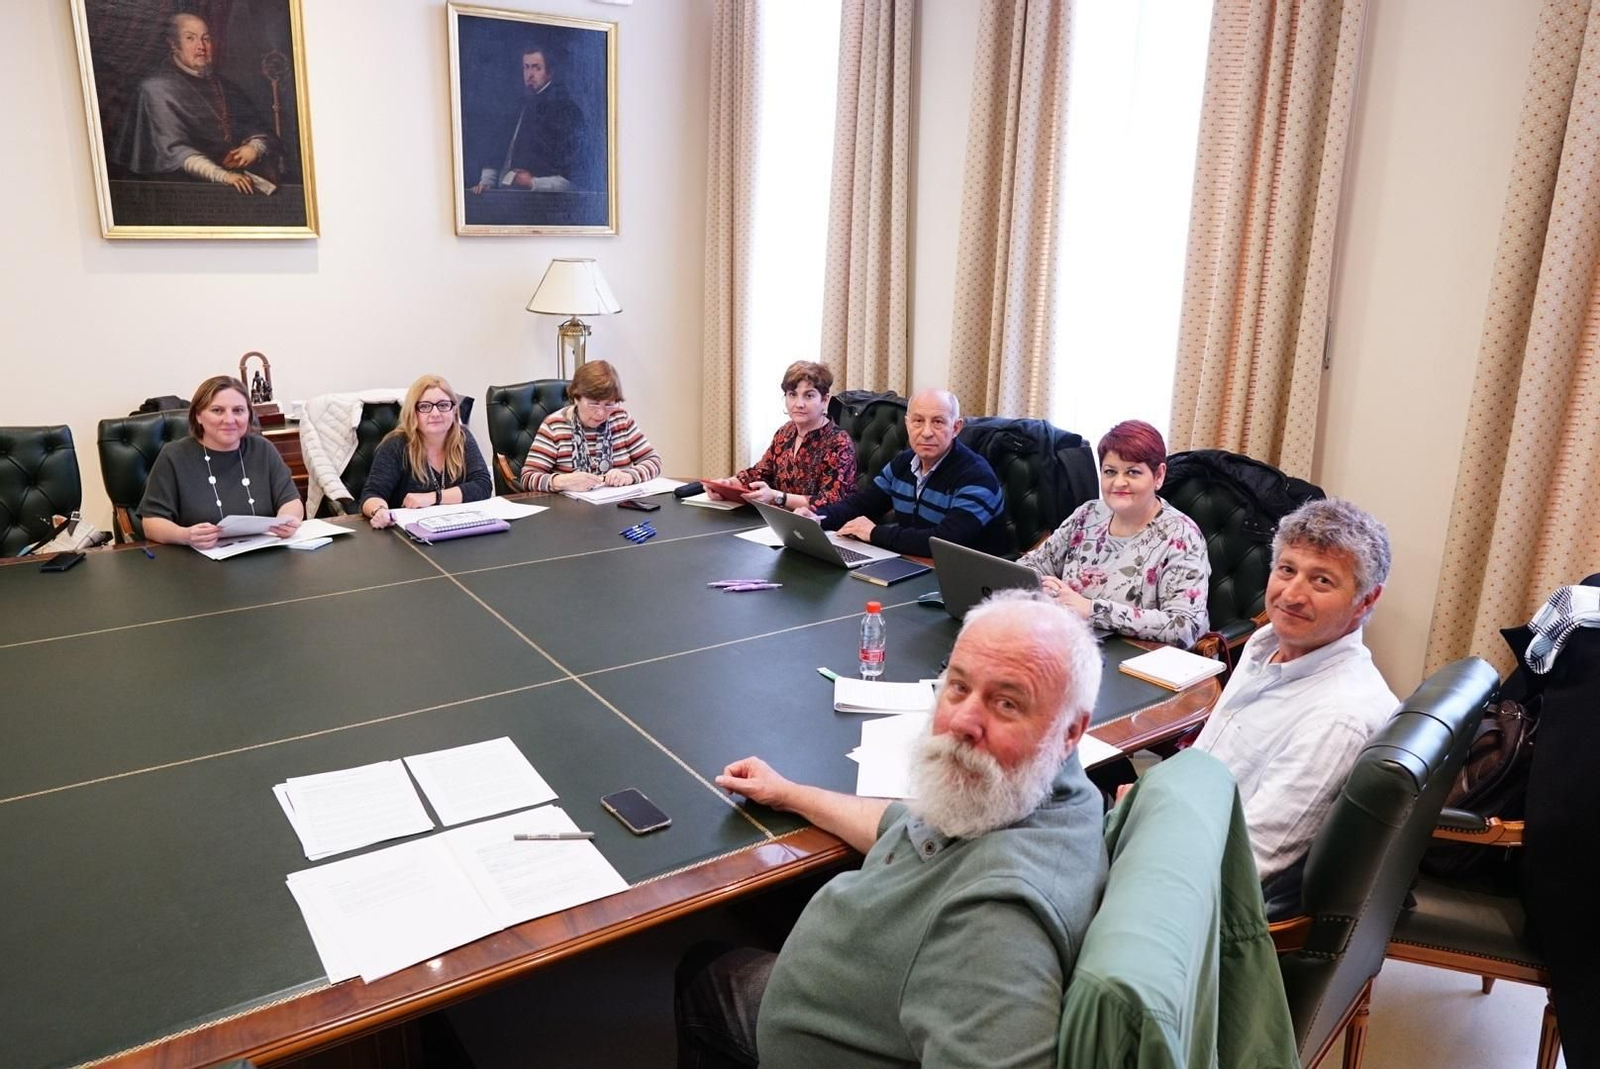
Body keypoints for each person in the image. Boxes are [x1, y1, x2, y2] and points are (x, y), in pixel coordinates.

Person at [675, 591, 1107, 1068]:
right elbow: (902, 823)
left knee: (705, 973)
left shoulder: (995, 925)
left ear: (1071, 729)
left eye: (1006, 703)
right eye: (958, 687)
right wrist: (789, 793)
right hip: (871, 1002)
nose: (963, 719)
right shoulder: (1042, 792)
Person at [1189, 498, 1399, 887]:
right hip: (1182, 824)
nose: (1291, 595)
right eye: (1287, 570)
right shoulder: (1266, 645)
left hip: (1196, 887)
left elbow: (1245, 862)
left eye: (1322, 580)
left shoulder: (1338, 719)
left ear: (1366, 600)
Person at [1018, 419, 1211, 646]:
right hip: (1069, 643)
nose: (1119, 482)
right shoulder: (1088, 514)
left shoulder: (1182, 536)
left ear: (1158, 476)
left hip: (1143, 661)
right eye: (1110, 471)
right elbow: (1029, 567)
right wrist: (1051, 592)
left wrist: (1091, 610)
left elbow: (1184, 626)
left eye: (1133, 472)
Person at [801, 388, 1006, 557]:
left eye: (938, 421)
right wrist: (816, 518)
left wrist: (873, 533)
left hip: (973, 581)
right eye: (918, 421)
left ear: (956, 427)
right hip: (917, 564)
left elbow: (944, 542)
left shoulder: (977, 477)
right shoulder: (903, 463)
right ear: (907, 424)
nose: (926, 432)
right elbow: (862, 505)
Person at [114, 13, 282, 195]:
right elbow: (174, 153)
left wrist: (254, 148)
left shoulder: (224, 86)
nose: (201, 46)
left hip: (239, 183)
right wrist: (222, 176)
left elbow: (260, 129)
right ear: (173, 44)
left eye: (206, 39)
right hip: (181, 191)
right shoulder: (155, 90)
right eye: (190, 38)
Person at [139, 376, 302, 548]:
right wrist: (185, 535)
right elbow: (151, 523)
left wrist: (287, 520)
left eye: (238, 410)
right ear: (198, 416)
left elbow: (291, 502)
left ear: (249, 415)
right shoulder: (173, 456)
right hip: (198, 562)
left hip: (263, 556)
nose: (229, 420)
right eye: (217, 410)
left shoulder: (262, 449)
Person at [719, 360, 856, 511]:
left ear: (824, 400)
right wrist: (727, 485)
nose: (799, 404)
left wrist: (778, 498)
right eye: (792, 395)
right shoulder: (785, 432)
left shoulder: (838, 442)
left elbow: (831, 500)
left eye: (809, 396)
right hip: (780, 520)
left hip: (822, 526)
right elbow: (760, 472)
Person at [360, 375, 493, 528]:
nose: (435, 413)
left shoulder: (462, 437)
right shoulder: (396, 444)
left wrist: (433, 497)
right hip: (408, 537)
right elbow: (371, 495)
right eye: (425, 406)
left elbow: (483, 486)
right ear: (413, 412)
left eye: (443, 405)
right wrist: (380, 511)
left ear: (454, 410)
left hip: (456, 529)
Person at [518, 361, 662, 492]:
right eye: (593, 403)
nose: (600, 413)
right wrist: (560, 481)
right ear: (576, 398)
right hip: (571, 513)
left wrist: (629, 475)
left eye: (609, 404)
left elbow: (653, 461)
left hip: (619, 509)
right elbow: (528, 477)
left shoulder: (621, 419)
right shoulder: (554, 425)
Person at [470, 43, 583, 194]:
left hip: (544, 201)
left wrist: (533, 183)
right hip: (507, 196)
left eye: (536, 68)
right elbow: (497, 148)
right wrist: (486, 183)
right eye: (526, 67)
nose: (529, 74)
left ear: (550, 73)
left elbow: (574, 176)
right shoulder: (518, 104)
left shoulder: (566, 110)